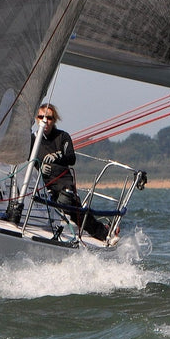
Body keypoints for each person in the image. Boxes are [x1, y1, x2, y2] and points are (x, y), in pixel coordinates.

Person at [31, 103, 110, 242]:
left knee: (69, 207)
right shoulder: (33, 139)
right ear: (36, 119)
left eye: (49, 118)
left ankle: (104, 233)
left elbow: (71, 158)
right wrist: (40, 166)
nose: (45, 121)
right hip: (41, 184)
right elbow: (26, 159)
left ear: (54, 120)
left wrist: (58, 157)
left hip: (63, 183)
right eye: (41, 117)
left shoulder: (63, 136)